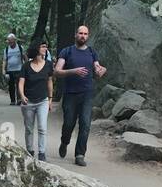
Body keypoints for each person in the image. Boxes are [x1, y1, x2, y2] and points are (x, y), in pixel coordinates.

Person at [54, 22, 107, 166]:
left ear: (88, 36)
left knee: (85, 124)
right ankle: (64, 142)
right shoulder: (67, 51)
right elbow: (57, 71)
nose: (83, 36)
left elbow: (97, 67)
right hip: (70, 93)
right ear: (76, 35)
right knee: (69, 123)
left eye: (85, 34)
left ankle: (79, 154)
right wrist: (73, 71)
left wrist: (101, 70)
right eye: (80, 33)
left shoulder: (91, 52)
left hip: (87, 94)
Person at [19, 40, 53, 161]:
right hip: (28, 102)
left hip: (43, 101)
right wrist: (22, 95)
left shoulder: (49, 64)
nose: (45, 49)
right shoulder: (26, 66)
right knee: (29, 128)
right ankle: (29, 150)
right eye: (43, 46)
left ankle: (42, 153)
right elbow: (21, 82)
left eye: (46, 47)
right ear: (36, 48)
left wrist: (50, 99)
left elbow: (49, 81)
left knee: (42, 127)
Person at [2, 32, 24, 105]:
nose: (10, 42)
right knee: (11, 86)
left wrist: (27, 67)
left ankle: (19, 99)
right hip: (10, 70)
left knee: (19, 85)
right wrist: (3, 70)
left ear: (14, 40)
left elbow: (24, 57)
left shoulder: (20, 48)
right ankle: (12, 100)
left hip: (19, 69)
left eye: (11, 41)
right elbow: (5, 60)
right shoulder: (6, 49)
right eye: (9, 41)